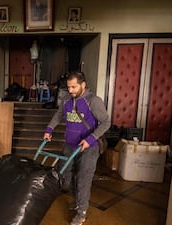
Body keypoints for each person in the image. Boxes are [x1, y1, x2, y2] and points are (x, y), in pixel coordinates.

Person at [43, 71, 111, 225]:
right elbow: (58, 115)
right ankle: (76, 200)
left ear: (83, 85)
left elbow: (106, 122)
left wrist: (90, 139)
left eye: (74, 87)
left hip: (89, 147)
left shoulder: (93, 101)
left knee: (82, 181)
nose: (71, 90)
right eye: (69, 87)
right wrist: (49, 130)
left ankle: (81, 213)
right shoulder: (67, 99)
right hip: (69, 145)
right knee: (65, 178)